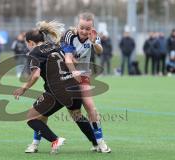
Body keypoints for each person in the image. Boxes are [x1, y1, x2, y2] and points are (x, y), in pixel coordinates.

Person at [26, 12, 111, 153]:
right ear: (77, 25)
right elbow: (68, 58)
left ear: (92, 28)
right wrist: (74, 72)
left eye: (88, 29)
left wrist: (95, 41)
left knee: (89, 107)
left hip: (78, 75)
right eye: (82, 27)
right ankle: (35, 143)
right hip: (70, 74)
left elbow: (100, 51)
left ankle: (100, 142)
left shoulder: (93, 34)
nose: (84, 31)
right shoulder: (69, 35)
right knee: (71, 113)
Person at [14, 21, 98, 154]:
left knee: (31, 118)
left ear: (30, 42)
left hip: (58, 90)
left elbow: (35, 75)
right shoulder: (55, 45)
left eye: (26, 43)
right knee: (76, 114)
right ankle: (96, 143)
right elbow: (73, 61)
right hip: (74, 86)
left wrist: (23, 88)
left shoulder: (34, 53)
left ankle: (55, 140)